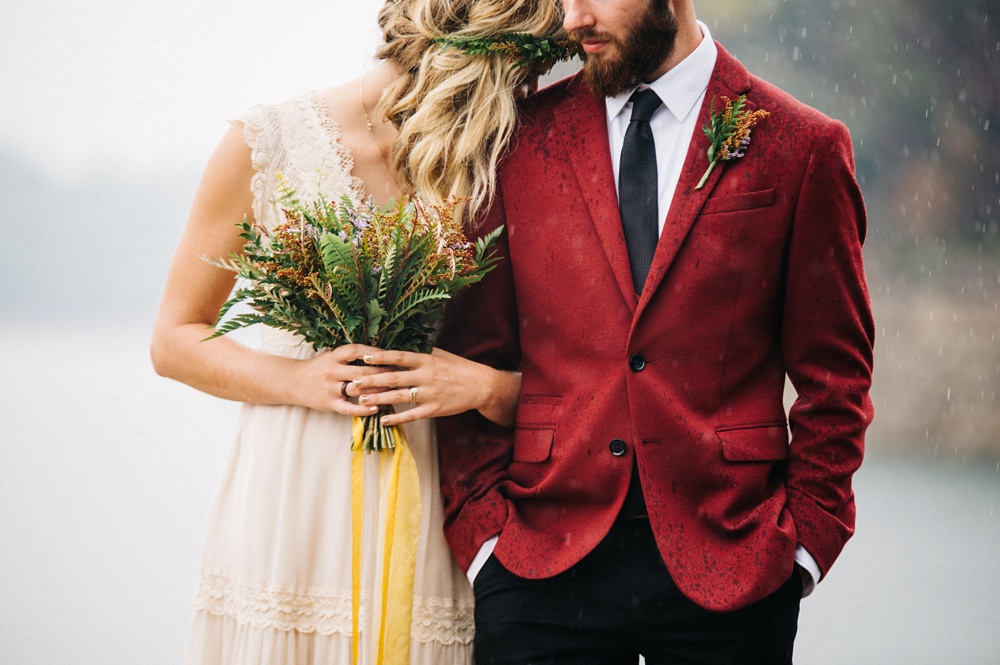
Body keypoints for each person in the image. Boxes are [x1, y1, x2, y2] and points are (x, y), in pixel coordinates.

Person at [435, 0, 875, 663]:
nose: (573, 19)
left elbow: (836, 381)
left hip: (734, 566)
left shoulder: (801, 147)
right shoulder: (517, 143)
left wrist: (802, 551)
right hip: (541, 567)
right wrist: (485, 543)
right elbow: (473, 346)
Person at [149, 1, 567, 663]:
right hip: (292, 491)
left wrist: (485, 385)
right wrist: (298, 378)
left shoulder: (505, 160)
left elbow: (575, 368)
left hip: (436, 499)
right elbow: (173, 338)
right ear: (475, 64)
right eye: (521, 75)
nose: (529, 96)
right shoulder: (267, 142)